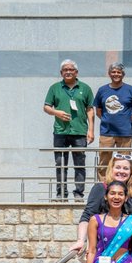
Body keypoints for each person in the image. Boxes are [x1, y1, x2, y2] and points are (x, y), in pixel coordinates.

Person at [44, 59, 94, 199]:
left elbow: (90, 110)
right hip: (60, 131)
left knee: (79, 164)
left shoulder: (85, 88)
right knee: (60, 164)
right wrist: (57, 113)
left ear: (76, 72)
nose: (68, 72)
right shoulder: (55, 88)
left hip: (79, 131)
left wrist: (91, 131)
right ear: (61, 73)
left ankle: (78, 194)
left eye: (71, 69)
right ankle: (61, 194)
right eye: (65, 70)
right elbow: (46, 107)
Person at [94, 62, 132, 179]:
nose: (116, 74)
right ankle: (103, 186)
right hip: (106, 132)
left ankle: (123, 186)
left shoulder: (131, 90)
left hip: (125, 132)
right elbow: (98, 111)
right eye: (113, 72)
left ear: (123, 74)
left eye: (119, 72)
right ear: (109, 74)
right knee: (104, 162)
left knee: (124, 162)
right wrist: (108, 120)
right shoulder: (102, 90)